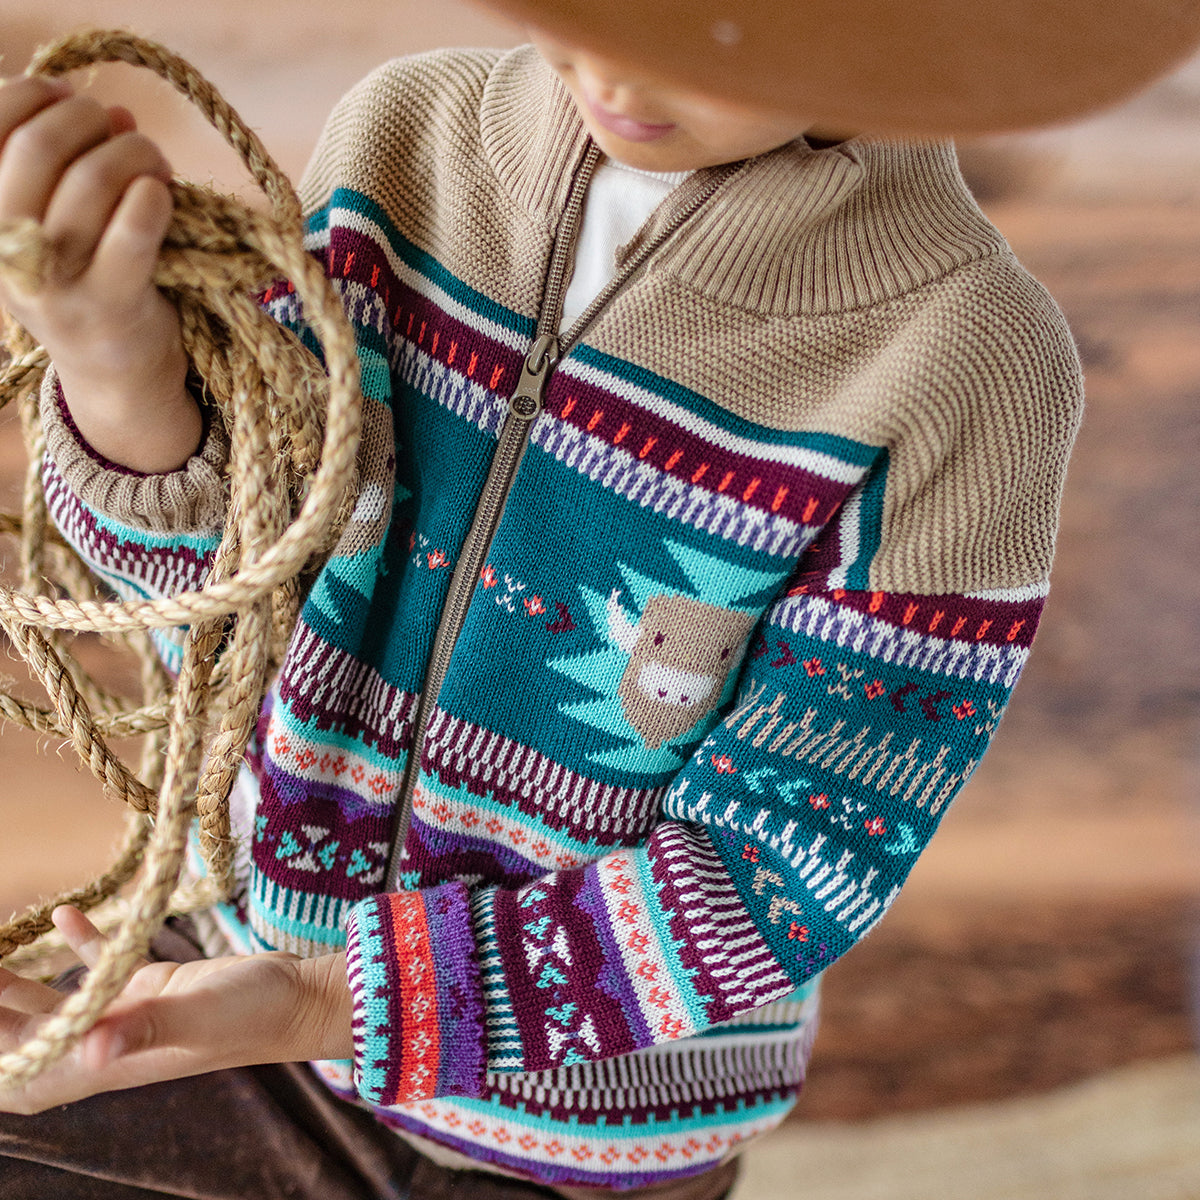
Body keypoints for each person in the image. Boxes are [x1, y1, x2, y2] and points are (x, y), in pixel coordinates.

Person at [0, 25, 1082, 1200]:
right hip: (236, 968)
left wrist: (325, 999)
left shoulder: (970, 366)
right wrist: (111, 358)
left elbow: (780, 866)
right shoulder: (403, 143)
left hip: (589, 1135)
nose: (616, 68)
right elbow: (225, 599)